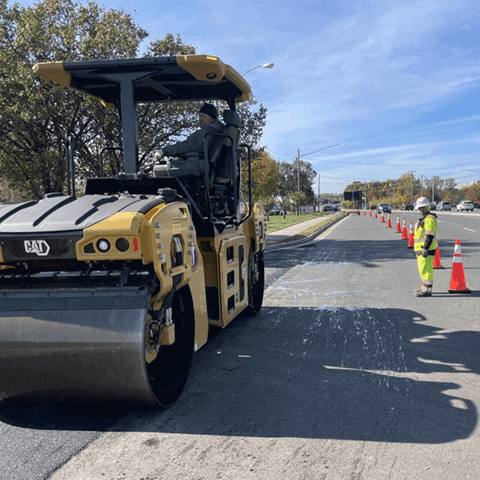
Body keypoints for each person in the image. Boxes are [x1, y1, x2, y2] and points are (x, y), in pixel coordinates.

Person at [154, 103, 224, 160]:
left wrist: (164, 151)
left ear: (212, 118)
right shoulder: (219, 131)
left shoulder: (205, 133)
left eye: (203, 116)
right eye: (200, 116)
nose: (200, 119)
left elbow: (185, 146)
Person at [413, 197, 438, 297]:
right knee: (423, 270)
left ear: (425, 208)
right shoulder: (424, 219)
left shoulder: (429, 219)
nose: (419, 211)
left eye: (420, 209)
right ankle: (424, 288)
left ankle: (427, 290)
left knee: (426, 270)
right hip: (421, 249)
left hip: (426, 249)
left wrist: (425, 248)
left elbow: (430, 235)